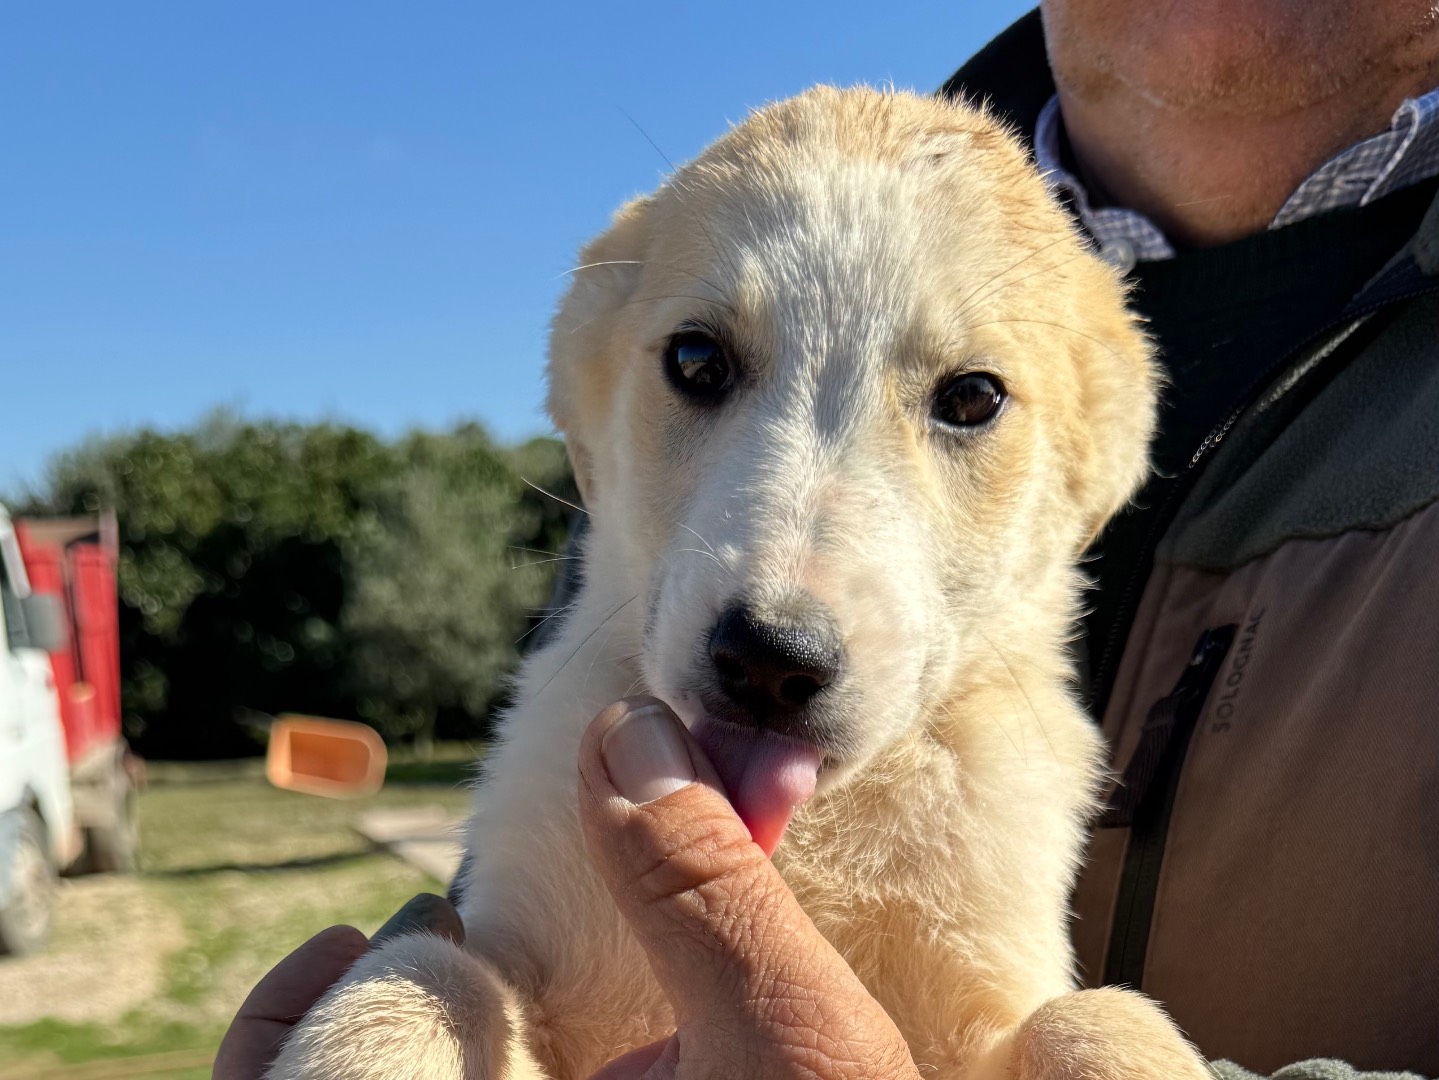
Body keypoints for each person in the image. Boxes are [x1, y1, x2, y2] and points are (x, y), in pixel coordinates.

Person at [218, 3, 1439, 1076]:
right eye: (700, 364)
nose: (773, 595)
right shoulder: (621, 603)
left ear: (1099, 460)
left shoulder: (1001, 753)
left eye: (965, 401)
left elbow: (996, 1040)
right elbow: (516, 964)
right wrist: (413, 1014)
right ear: (586, 389)